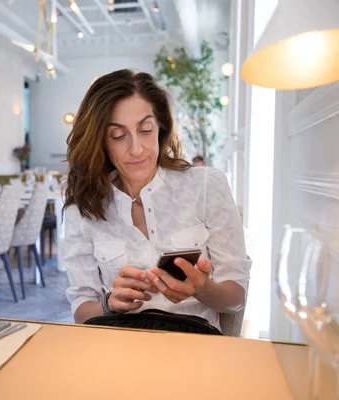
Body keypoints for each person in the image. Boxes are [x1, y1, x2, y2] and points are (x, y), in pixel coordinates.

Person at [63, 69, 251, 333]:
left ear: (160, 127)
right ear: (100, 141)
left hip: (194, 342)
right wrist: (109, 304)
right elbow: (82, 313)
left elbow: (235, 299)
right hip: (118, 341)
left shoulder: (207, 185)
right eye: (118, 135)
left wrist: (202, 288)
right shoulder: (81, 209)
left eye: (145, 129)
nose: (136, 148)